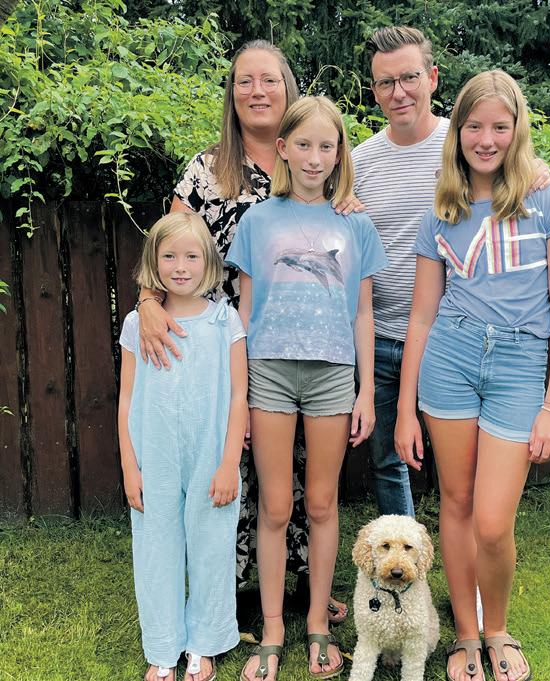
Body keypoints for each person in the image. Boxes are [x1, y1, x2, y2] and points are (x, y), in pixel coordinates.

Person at [135, 40, 351, 624]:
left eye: (269, 80)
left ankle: (304, 585)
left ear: (289, 88)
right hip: (219, 342)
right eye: (244, 81)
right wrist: (148, 300)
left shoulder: (313, 160)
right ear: (231, 94)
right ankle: (223, 590)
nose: (257, 91)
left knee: (301, 471)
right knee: (228, 457)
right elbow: (168, 245)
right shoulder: (208, 169)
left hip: (303, 341)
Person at [395, 70, 550, 681]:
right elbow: (421, 316)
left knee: (493, 521)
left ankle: (497, 627)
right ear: (457, 132)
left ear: (517, 130)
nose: (486, 139)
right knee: (455, 502)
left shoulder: (548, 203)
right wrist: (404, 409)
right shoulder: (441, 210)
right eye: (474, 126)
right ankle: (466, 636)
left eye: (500, 127)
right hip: (449, 361)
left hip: (519, 366)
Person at [352, 26, 550, 520]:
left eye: (409, 77)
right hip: (380, 334)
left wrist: (538, 168)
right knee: (388, 461)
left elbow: (516, 171)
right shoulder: (359, 162)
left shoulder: (467, 141)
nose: (398, 92)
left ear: (433, 78)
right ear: (374, 91)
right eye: (385, 82)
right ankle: (406, 563)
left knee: (465, 480)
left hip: (451, 338)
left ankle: (473, 554)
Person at [230, 96, 387, 681]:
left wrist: (365, 392)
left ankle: (318, 621)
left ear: (339, 152)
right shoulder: (257, 220)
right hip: (269, 371)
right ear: (284, 150)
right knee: (275, 505)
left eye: (326, 146)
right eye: (303, 145)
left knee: (321, 503)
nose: (314, 157)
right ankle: (273, 628)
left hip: (332, 375)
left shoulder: (356, 224)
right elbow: (245, 312)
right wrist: (239, 394)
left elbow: (364, 314)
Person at [118, 212, 249, 681]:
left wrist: (229, 463)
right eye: (169, 256)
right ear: (153, 263)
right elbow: (126, 399)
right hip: (154, 456)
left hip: (210, 456)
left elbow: (238, 396)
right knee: (156, 549)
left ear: (209, 263)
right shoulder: (137, 323)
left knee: (211, 547)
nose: (180, 266)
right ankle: (162, 647)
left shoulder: (224, 321)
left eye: (191, 256)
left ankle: (203, 644)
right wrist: (130, 467)